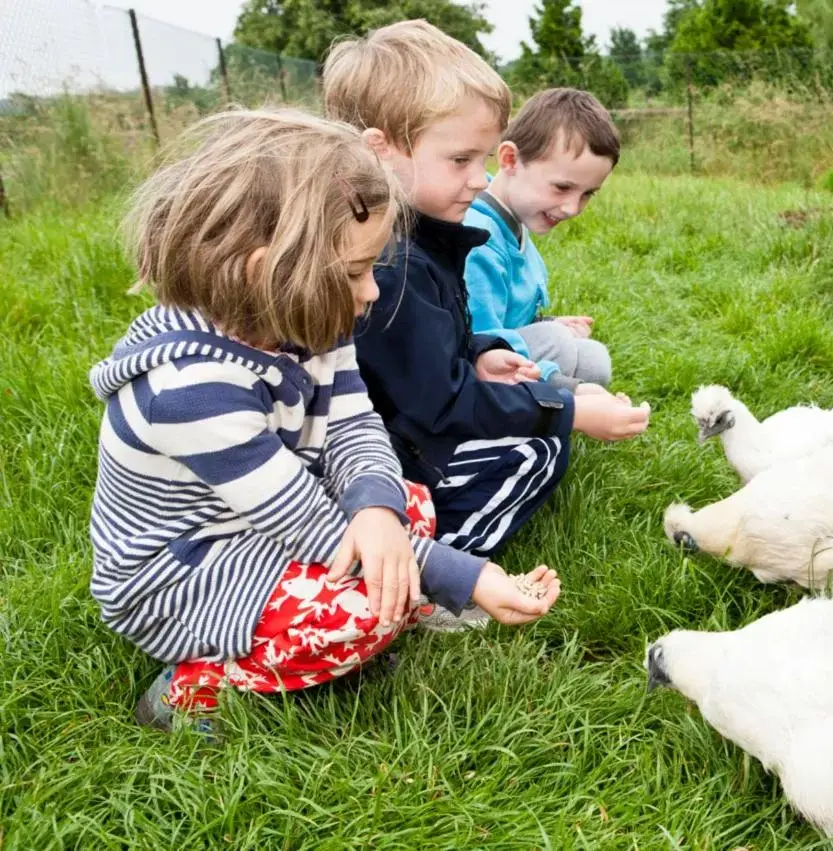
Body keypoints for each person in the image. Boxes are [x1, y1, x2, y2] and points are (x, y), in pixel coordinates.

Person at [87, 109, 560, 732]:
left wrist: (373, 508)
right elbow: (307, 525)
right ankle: (194, 685)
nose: (371, 294)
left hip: (258, 534)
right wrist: (464, 575)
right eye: (356, 273)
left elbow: (354, 426)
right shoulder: (189, 391)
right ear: (266, 272)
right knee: (358, 613)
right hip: (184, 578)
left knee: (402, 504)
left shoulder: (307, 321)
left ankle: (402, 595)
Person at [322, 21, 649, 631]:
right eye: (460, 159)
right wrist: (564, 408)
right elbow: (439, 406)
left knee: (543, 438)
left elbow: (433, 359)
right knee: (536, 451)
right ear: (380, 150)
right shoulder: (391, 267)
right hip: (383, 464)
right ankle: (434, 579)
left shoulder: (418, 239)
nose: (478, 179)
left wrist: (481, 351)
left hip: (395, 446)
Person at [464, 88, 620, 393]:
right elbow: (479, 338)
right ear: (510, 159)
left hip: (504, 343)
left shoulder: (513, 216)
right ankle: (535, 410)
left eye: (587, 194)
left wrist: (548, 320)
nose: (573, 208)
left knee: (593, 360)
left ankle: (545, 399)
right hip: (479, 359)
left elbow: (507, 310)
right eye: (562, 187)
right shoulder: (478, 237)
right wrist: (566, 385)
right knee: (557, 343)